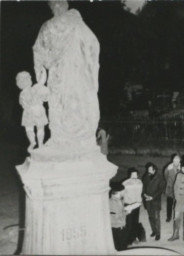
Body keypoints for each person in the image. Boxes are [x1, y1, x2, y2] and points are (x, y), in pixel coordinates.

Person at [33, 1, 100, 149]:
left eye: (53, 6)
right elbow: (94, 44)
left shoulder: (48, 26)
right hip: (76, 74)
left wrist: (40, 74)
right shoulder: (77, 23)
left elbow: (38, 51)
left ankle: (62, 139)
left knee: (60, 104)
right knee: (74, 104)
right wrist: (90, 66)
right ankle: (77, 139)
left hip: (60, 74)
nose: (54, 9)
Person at [16, 69, 49, 151]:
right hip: (38, 110)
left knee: (29, 128)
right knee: (40, 128)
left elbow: (23, 104)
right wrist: (43, 71)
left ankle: (32, 142)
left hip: (28, 112)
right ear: (29, 80)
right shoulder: (35, 88)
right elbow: (42, 81)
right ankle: (40, 144)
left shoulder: (22, 94)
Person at [142, 162, 165, 241]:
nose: (148, 170)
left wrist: (152, 197)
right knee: (151, 217)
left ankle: (158, 234)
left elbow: (160, 190)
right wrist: (144, 194)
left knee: (156, 218)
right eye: (148, 169)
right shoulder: (146, 177)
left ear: (154, 170)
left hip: (155, 200)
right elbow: (144, 187)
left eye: (150, 169)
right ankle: (154, 231)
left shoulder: (160, 177)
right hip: (147, 200)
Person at [122, 168, 144, 245]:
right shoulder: (125, 183)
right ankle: (127, 240)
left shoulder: (140, 182)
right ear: (129, 175)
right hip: (128, 205)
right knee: (128, 223)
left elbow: (140, 192)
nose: (134, 176)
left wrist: (139, 201)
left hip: (137, 205)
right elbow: (122, 194)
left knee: (135, 222)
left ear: (137, 175)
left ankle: (134, 238)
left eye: (135, 175)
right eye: (132, 175)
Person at [109, 182, 128, 251]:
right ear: (119, 192)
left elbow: (119, 212)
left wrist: (125, 211)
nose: (124, 192)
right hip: (118, 228)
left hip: (120, 227)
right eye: (123, 191)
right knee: (121, 247)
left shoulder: (118, 200)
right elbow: (116, 218)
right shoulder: (113, 202)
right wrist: (125, 212)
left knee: (122, 245)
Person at [164, 154, 181, 222]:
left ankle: (176, 216)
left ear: (179, 161)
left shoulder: (181, 167)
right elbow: (165, 176)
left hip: (178, 188)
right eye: (175, 160)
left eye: (177, 160)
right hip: (170, 187)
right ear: (172, 160)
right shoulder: (169, 167)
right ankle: (169, 216)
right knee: (169, 203)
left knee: (177, 202)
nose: (176, 162)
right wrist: (169, 183)